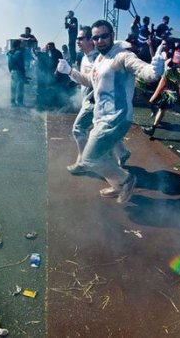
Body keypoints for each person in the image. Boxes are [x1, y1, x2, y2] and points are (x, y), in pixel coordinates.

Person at [56, 19, 165, 204]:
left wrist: (155, 70)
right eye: (95, 37)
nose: (99, 41)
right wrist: (70, 72)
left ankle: (126, 180)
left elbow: (144, 71)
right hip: (101, 118)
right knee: (104, 155)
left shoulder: (122, 56)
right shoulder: (100, 59)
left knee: (89, 159)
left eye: (104, 36)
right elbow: (89, 81)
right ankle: (117, 186)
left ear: (112, 36)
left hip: (117, 118)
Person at [66, 26, 130, 173]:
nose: (77, 41)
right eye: (77, 38)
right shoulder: (84, 57)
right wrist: (73, 77)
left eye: (81, 38)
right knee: (102, 130)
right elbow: (87, 79)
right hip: (90, 101)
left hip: (94, 102)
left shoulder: (98, 58)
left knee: (78, 129)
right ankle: (122, 152)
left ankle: (83, 163)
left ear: (90, 40)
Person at [7, 39, 25, 107]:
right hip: (18, 71)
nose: (23, 45)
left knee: (13, 88)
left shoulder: (10, 52)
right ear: (18, 45)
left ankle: (13, 102)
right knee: (20, 87)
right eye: (22, 43)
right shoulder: (19, 52)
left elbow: (9, 63)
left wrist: (10, 70)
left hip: (13, 71)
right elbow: (21, 64)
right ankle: (20, 102)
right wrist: (23, 73)